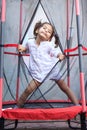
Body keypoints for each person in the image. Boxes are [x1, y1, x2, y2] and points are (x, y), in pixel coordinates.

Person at [16, 21, 79, 108]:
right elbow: (25, 49)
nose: (46, 31)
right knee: (28, 90)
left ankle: (77, 105)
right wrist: (22, 48)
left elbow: (55, 52)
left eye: (49, 31)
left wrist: (60, 55)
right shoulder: (30, 42)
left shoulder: (49, 45)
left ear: (49, 38)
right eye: (44, 28)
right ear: (37, 30)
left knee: (64, 87)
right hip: (39, 72)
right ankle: (18, 106)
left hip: (51, 69)